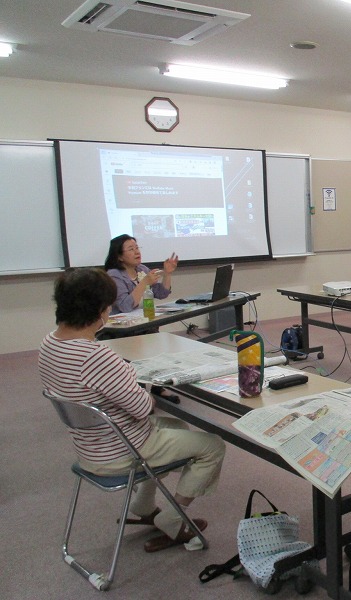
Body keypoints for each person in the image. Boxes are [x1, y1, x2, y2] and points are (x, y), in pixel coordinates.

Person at [39, 268, 226, 552]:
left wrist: (123, 377)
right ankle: (172, 519)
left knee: (177, 427)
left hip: (89, 447)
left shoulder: (49, 343)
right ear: (101, 310)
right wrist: (135, 382)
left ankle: (143, 504)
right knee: (213, 446)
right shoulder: (95, 356)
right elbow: (143, 408)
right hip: (120, 450)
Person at [104, 234, 179, 314]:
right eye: (131, 249)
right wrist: (144, 283)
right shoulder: (114, 275)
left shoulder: (141, 269)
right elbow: (125, 306)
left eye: (137, 248)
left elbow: (161, 294)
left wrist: (167, 273)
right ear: (119, 257)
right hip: (126, 324)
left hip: (146, 318)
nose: (137, 252)